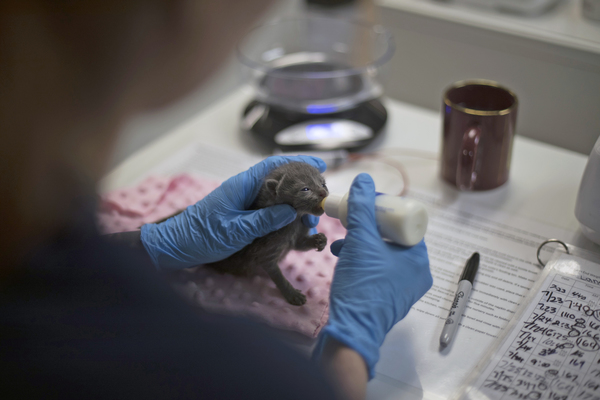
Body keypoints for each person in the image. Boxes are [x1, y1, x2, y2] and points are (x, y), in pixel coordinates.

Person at [0, 1, 432, 399]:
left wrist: (152, 244)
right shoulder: (235, 372)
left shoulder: (30, 240)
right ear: (181, 13)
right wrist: (352, 344)